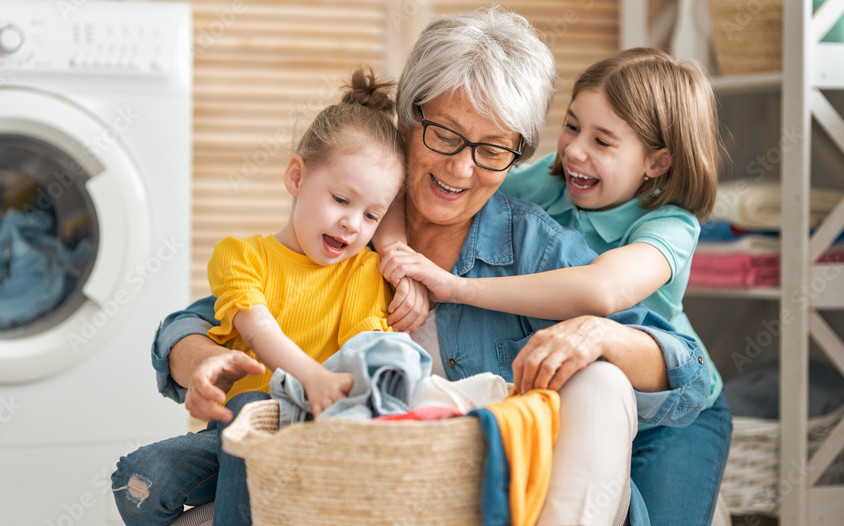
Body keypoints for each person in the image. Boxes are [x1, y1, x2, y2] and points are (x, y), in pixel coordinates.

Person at [137, 7, 722, 526]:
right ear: (406, 122)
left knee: (601, 373)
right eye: (445, 134)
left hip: (504, 497)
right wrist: (207, 362)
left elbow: (689, 370)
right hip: (371, 489)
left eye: (493, 149)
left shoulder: (534, 247)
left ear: (516, 153)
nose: (462, 170)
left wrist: (601, 333)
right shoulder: (348, 223)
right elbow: (190, 326)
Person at [376, 47, 731, 525]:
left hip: (671, 408)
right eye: (571, 126)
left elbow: (603, 290)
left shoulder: (670, 225)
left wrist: (452, 287)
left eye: (603, 141)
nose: (574, 151)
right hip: (588, 388)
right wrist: (401, 256)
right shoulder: (546, 183)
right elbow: (411, 182)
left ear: (657, 162)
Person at [111, 67, 406, 526]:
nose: (353, 224)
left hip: (312, 433)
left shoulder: (363, 272)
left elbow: (364, 348)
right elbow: (256, 324)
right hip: (231, 436)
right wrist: (312, 374)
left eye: (372, 214)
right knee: (135, 480)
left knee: (255, 406)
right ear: (295, 177)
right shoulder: (241, 256)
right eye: (341, 199)